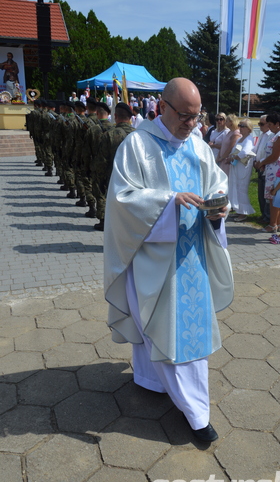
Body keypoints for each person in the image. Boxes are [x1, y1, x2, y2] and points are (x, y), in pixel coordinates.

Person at [104, 77, 233, 443]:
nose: (192, 124)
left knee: (183, 336)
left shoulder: (198, 146)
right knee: (159, 327)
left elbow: (217, 183)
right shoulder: (137, 146)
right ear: (162, 107)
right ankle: (186, 408)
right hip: (151, 256)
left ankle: (191, 408)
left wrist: (219, 204)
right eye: (185, 116)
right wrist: (167, 202)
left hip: (191, 256)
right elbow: (122, 200)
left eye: (197, 116)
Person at [91, 102, 134, 231]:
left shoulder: (109, 135)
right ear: (130, 118)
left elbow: (101, 163)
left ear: (115, 116)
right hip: (135, 181)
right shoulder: (140, 135)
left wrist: (99, 181)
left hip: (114, 181)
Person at [255, 112, 280, 234]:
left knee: (273, 197)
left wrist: (262, 162)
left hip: (276, 171)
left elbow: (275, 155)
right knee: (272, 197)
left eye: (270, 124)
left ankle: (273, 223)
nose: (269, 127)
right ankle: (276, 222)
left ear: (277, 124)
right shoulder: (276, 134)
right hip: (272, 170)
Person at [227, 118, 256, 222]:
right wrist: (231, 156)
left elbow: (245, 152)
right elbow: (235, 150)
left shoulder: (249, 139)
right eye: (239, 125)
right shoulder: (240, 139)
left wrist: (233, 157)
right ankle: (238, 210)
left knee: (241, 189)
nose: (240, 128)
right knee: (235, 186)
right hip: (236, 165)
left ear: (248, 129)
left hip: (243, 166)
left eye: (242, 126)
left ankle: (244, 213)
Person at [253, 115, 272, 223]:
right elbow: (257, 149)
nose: (259, 126)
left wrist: (262, 162)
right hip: (259, 165)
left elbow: (268, 152)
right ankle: (263, 214)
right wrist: (255, 160)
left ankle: (267, 216)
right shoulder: (262, 135)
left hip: (265, 166)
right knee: (261, 193)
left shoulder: (271, 135)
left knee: (266, 193)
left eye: (262, 124)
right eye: (259, 124)